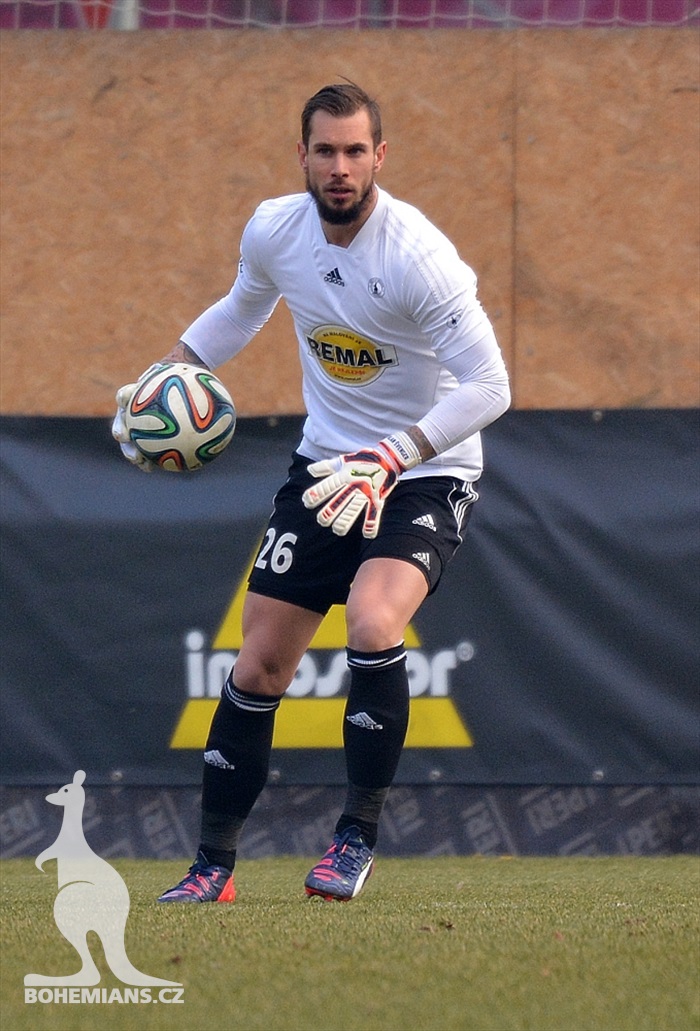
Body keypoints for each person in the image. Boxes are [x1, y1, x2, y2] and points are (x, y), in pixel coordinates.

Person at [113, 82, 510, 903]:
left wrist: (395, 455)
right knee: (258, 663)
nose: (340, 167)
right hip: (325, 465)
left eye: (356, 151)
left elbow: (490, 385)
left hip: (423, 467)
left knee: (372, 619)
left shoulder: (418, 257)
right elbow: (242, 308)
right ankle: (212, 867)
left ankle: (353, 842)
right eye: (325, 150)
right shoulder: (274, 229)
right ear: (302, 155)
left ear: (379, 157)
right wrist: (170, 369)